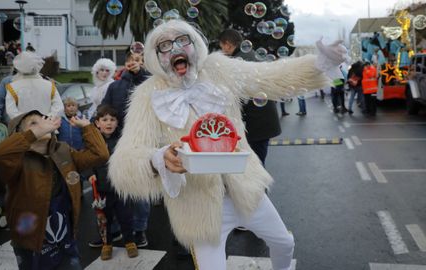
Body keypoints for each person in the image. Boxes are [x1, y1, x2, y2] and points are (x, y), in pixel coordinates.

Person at [107, 19, 347, 270]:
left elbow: (270, 76)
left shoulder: (219, 68)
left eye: (182, 40)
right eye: (165, 45)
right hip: (198, 205)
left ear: (195, 43)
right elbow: (124, 160)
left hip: (245, 188)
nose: (175, 49)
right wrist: (158, 159)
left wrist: (320, 63)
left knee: (284, 243)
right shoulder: (146, 95)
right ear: (156, 57)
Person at [0, 110, 109, 269]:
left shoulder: (63, 150)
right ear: (19, 134)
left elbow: (100, 155)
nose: (43, 124)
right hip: (31, 241)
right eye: (33, 123)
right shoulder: (16, 161)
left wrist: (87, 127)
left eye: (43, 119)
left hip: (65, 236)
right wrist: (35, 133)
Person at [100, 51, 150, 247]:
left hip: (142, 143)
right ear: (126, 62)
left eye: (139, 60)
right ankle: (115, 229)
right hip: (118, 143)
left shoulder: (149, 83)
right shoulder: (114, 86)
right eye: (131, 59)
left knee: (140, 190)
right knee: (114, 188)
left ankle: (139, 230)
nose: (134, 63)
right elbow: (105, 109)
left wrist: (140, 75)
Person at [218, 28, 281, 166]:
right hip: (263, 120)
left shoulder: (239, 62)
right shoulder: (250, 55)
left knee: (254, 167)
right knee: (257, 162)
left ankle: (259, 188)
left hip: (257, 122)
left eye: (221, 46)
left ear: (228, 44)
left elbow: (235, 96)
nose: (221, 50)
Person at [86, 105, 138, 260]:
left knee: (125, 217)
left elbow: (130, 159)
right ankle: (107, 244)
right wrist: (89, 175)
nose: (108, 123)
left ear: (117, 123)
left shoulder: (123, 140)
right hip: (101, 190)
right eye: (104, 119)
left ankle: (129, 242)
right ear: (97, 123)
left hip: (121, 187)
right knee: (103, 219)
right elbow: (86, 161)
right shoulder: (93, 142)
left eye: (112, 120)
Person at [5, 51, 64, 119]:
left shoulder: (13, 87)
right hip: (47, 126)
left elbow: (11, 111)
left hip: (24, 127)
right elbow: (59, 108)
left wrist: (28, 121)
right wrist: (46, 119)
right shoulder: (49, 85)